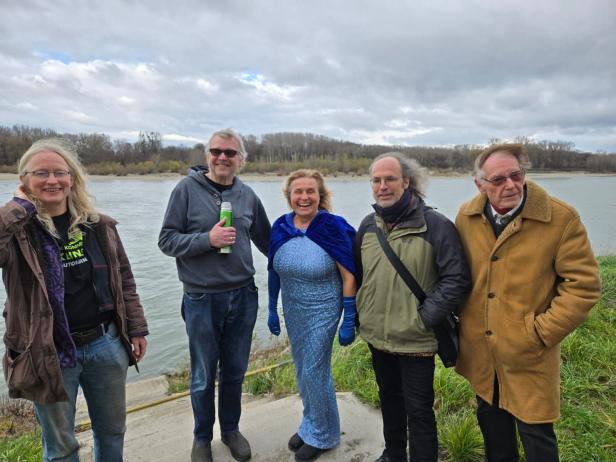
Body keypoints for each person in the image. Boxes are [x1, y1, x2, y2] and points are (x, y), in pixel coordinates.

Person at [0, 138, 148, 461]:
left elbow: (124, 280)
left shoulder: (100, 226)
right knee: (61, 446)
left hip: (105, 345)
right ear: (24, 181)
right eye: (41, 173)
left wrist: (136, 327)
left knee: (111, 433)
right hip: (47, 352)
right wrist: (18, 208)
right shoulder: (17, 233)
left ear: (72, 178)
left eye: (59, 172)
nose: (52, 180)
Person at [455, 143, 601, 462]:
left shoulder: (560, 218)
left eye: (516, 175)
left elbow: (584, 286)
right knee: (493, 431)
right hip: (482, 352)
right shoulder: (466, 217)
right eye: (498, 179)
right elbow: (459, 275)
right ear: (479, 184)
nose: (510, 185)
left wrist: (539, 333)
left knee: (538, 437)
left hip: (529, 353)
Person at [158, 128, 271, 462]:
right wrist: (207, 240)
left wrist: (311, 247)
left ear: (241, 160)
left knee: (235, 371)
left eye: (230, 153)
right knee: (204, 375)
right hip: (201, 299)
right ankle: (202, 437)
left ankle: (231, 430)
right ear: (207, 155)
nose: (223, 157)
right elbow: (166, 241)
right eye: (216, 151)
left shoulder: (247, 195)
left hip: (243, 296)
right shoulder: (185, 190)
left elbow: (269, 241)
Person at [354, 153, 470, 462]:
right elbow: (361, 275)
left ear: (406, 181)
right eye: (376, 180)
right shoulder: (367, 226)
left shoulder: (435, 225)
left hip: (416, 340)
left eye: (390, 179)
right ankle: (393, 454)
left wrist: (426, 317)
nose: (383, 186)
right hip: (378, 337)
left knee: (419, 412)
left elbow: (457, 278)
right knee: (389, 401)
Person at [267, 169, 357, 462]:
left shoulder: (332, 227)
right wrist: (271, 308)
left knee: (314, 371)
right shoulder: (281, 226)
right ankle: (310, 425)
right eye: (298, 192)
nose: (304, 197)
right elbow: (273, 271)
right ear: (289, 196)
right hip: (293, 309)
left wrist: (349, 316)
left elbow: (349, 274)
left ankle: (324, 435)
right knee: (302, 368)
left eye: (310, 192)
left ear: (320, 196)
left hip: (324, 309)